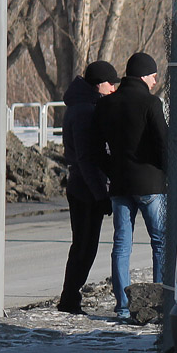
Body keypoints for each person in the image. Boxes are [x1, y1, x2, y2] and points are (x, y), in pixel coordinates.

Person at [92, 52, 168, 319]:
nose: (156, 80)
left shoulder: (106, 105)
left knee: (122, 245)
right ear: (143, 75)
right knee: (160, 243)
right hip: (151, 185)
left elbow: (95, 147)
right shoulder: (150, 103)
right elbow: (163, 143)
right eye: (153, 75)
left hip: (120, 185)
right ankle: (158, 304)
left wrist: (111, 169)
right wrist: (165, 172)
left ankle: (123, 306)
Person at [57, 61, 118, 315]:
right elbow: (85, 158)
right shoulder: (84, 110)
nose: (114, 88)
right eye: (110, 83)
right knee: (83, 247)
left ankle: (70, 298)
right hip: (84, 189)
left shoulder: (85, 105)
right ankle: (69, 299)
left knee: (84, 246)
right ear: (98, 84)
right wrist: (100, 194)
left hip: (84, 186)